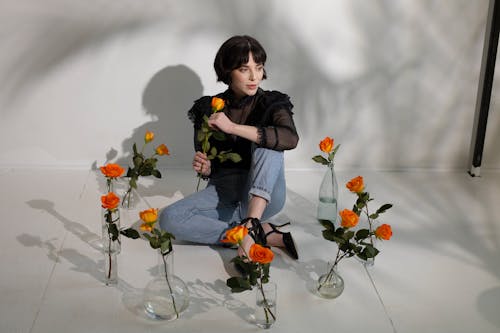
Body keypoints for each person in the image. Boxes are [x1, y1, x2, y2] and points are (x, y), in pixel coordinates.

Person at [159, 35, 299, 260]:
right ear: (228, 71)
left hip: (264, 195)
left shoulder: (272, 102)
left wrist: (233, 127)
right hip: (225, 192)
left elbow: (290, 138)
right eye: (244, 69)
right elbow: (211, 162)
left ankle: (253, 222)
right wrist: (207, 169)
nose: (254, 76)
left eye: (259, 67)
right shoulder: (208, 108)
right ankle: (254, 234)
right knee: (169, 219)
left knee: (268, 144)